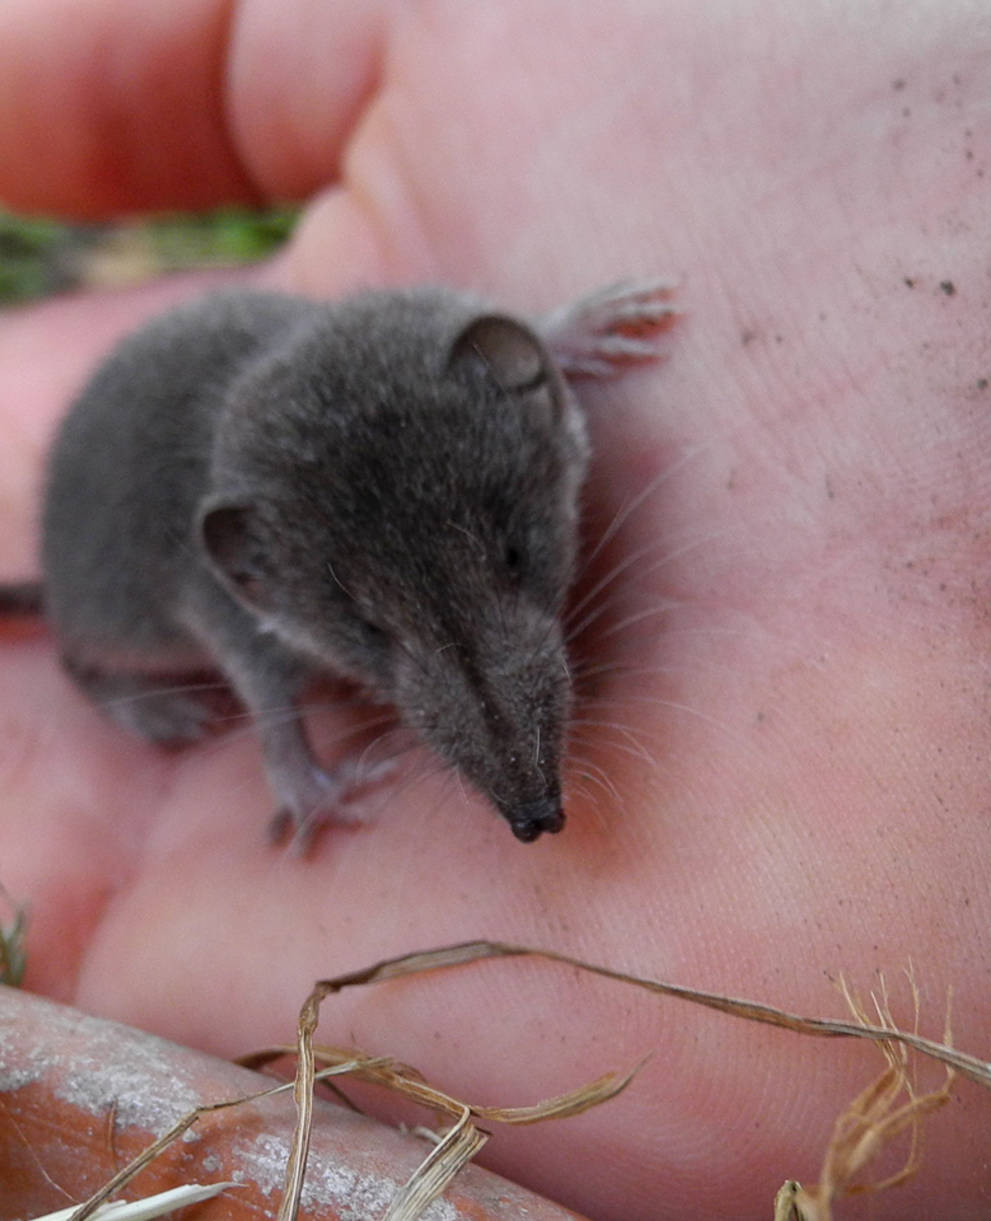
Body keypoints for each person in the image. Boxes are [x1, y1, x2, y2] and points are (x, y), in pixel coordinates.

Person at [1, 2, 988, 1217]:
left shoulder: (458, 382)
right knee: (105, 621)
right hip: (123, 551)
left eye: (510, 564)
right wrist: (288, 760)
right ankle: (95, 664)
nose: (522, 783)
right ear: (269, 576)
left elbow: (488, 358)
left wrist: (556, 341)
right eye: (379, 638)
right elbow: (226, 615)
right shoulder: (247, 545)